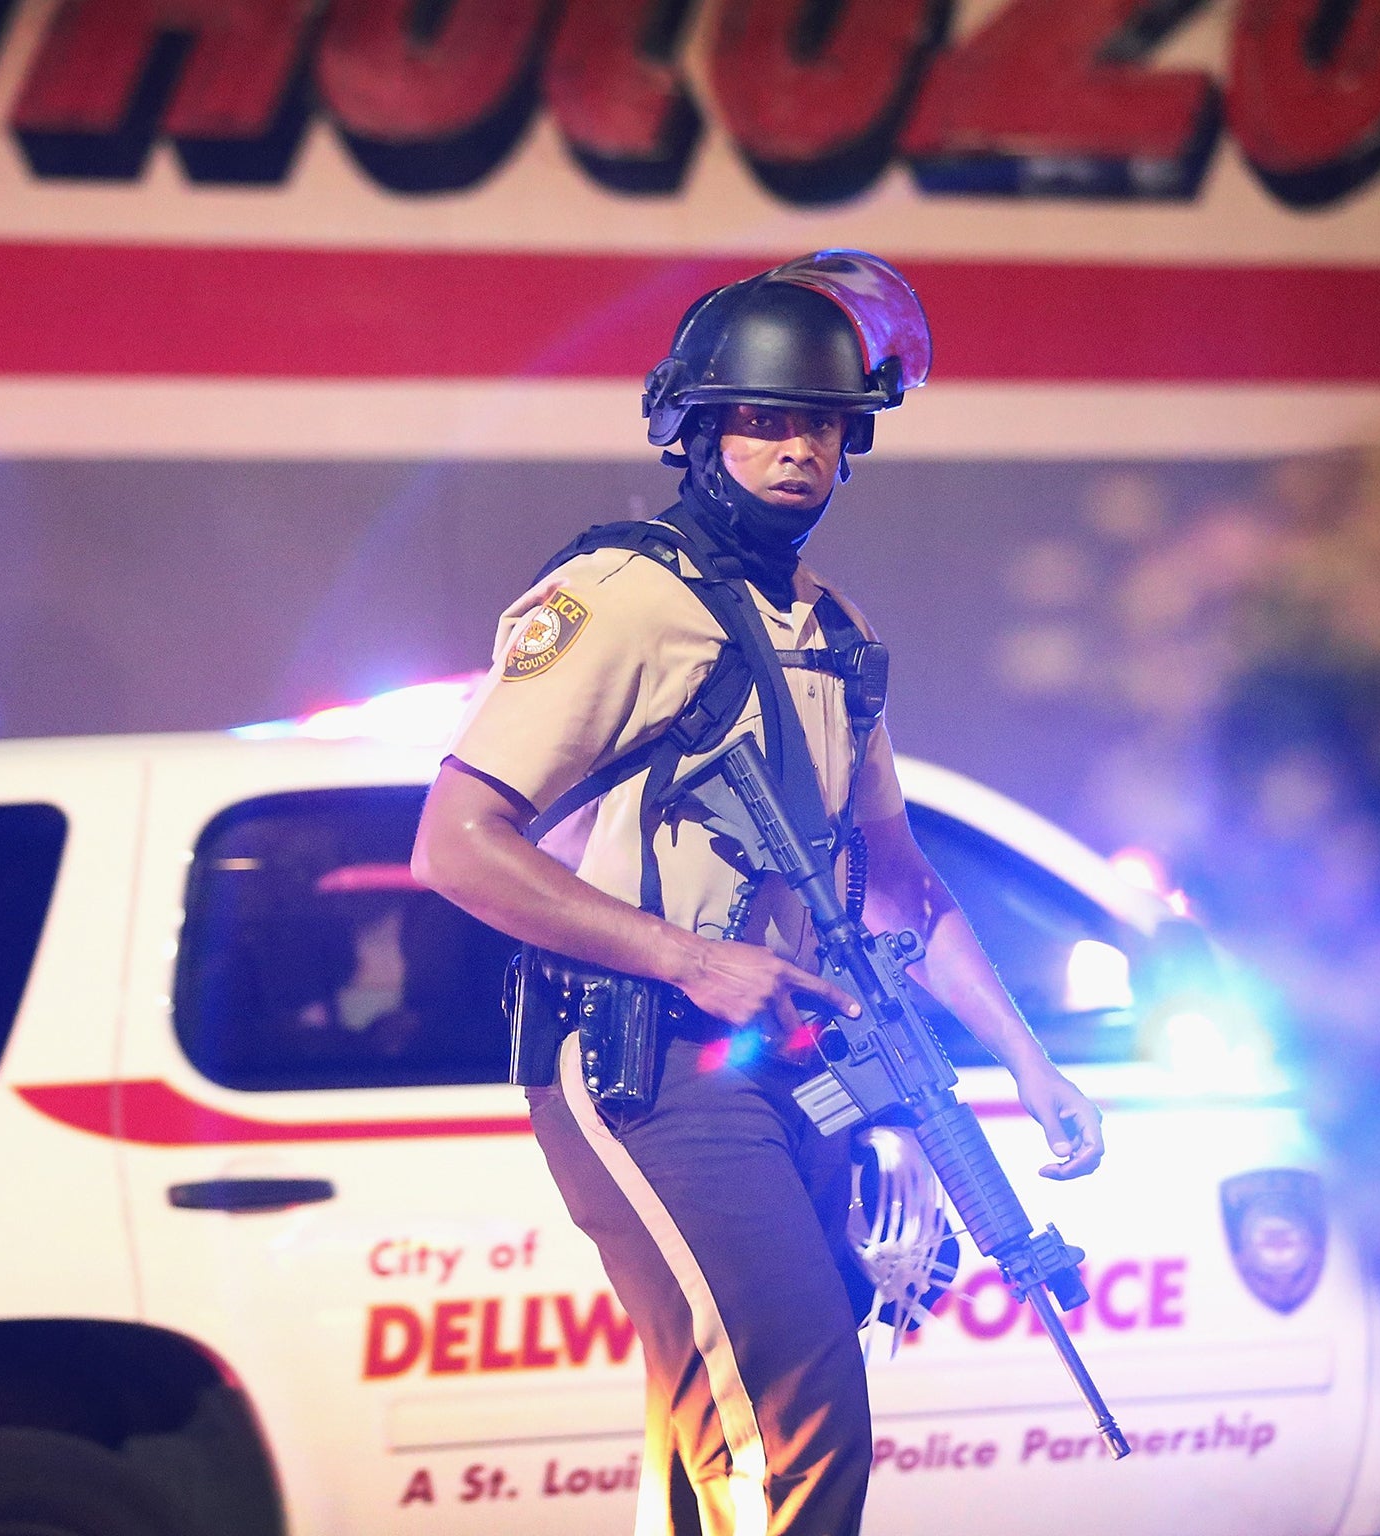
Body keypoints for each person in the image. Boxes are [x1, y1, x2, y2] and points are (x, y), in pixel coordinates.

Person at [412, 251, 1105, 1536]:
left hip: (779, 1060)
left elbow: (896, 881)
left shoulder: (832, 628)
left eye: (826, 427)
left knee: (727, 1423)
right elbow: (454, 845)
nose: (798, 452)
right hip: (641, 1059)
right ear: (695, 426)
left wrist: (1025, 1059)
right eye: (765, 420)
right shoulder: (617, 599)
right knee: (797, 1420)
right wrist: (684, 959)